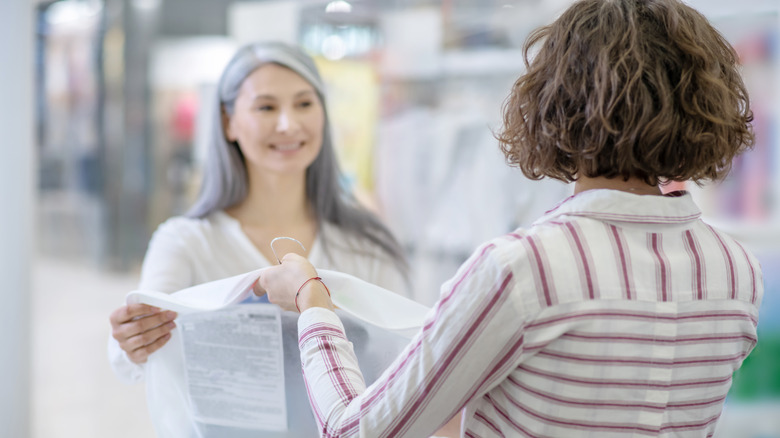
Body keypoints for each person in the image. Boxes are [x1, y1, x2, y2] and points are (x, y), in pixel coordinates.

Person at [257, 1, 764, 437]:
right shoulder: (738, 271)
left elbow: (357, 431)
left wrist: (311, 301)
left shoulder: (523, 268)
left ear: (555, 102)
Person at [107, 42, 422, 434]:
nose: (288, 124)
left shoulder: (367, 242)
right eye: (266, 107)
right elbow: (129, 360)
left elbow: (407, 363)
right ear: (228, 122)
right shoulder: (185, 242)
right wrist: (132, 339)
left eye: (304, 104)